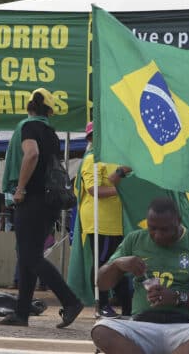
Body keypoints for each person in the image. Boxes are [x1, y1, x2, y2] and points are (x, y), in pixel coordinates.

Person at [91, 197, 189, 354]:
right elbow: (102, 284)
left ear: (179, 221)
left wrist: (177, 298)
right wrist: (117, 264)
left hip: (186, 327)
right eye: (152, 228)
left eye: (164, 229)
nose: (157, 235)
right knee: (100, 330)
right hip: (142, 325)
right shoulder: (135, 240)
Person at [0, 87, 84, 328]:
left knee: (29, 256)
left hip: (32, 200)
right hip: (48, 203)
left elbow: (31, 154)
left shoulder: (28, 127)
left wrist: (20, 188)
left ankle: (70, 301)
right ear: (49, 111)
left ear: (29, 107)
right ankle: (21, 313)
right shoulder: (50, 132)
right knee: (28, 257)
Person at [76, 121, 132, 317]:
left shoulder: (110, 158)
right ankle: (102, 304)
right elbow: (93, 190)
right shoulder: (91, 159)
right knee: (103, 262)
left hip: (113, 220)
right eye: (95, 136)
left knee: (116, 261)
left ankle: (127, 305)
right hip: (99, 219)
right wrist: (121, 189)